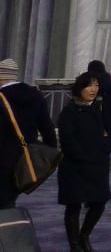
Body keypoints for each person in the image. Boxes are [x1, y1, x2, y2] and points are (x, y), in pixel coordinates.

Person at [57, 71, 111, 252]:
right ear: (80, 88)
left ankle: (84, 235)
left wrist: (106, 147)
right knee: (74, 206)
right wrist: (83, 157)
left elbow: (107, 132)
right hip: (75, 167)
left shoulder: (98, 108)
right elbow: (68, 141)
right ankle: (75, 244)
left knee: (99, 203)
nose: (93, 89)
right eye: (89, 85)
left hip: (97, 166)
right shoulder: (70, 111)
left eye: (96, 85)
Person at [0, 56, 58, 211]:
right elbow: (47, 127)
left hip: (2, 156)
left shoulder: (2, 97)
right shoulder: (35, 95)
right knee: (10, 197)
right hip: (25, 155)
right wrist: (49, 153)